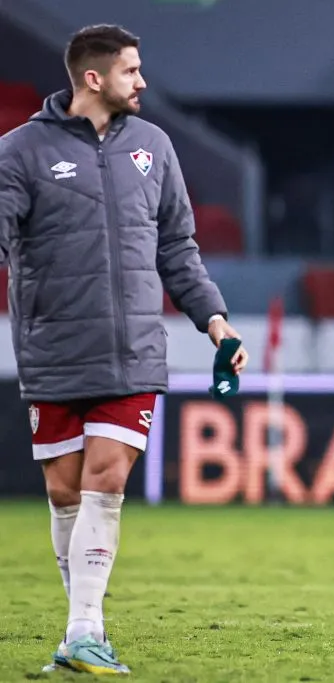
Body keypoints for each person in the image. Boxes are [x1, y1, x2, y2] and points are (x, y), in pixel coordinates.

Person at [0, 25, 248, 674]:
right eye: (131, 71)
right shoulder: (20, 152)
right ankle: (82, 630)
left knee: (104, 478)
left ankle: (85, 629)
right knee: (64, 493)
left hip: (135, 347)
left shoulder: (155, 147)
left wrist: (214, 320)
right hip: (53, 346)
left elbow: (178, 249)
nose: (142, 83)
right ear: (93, 78)